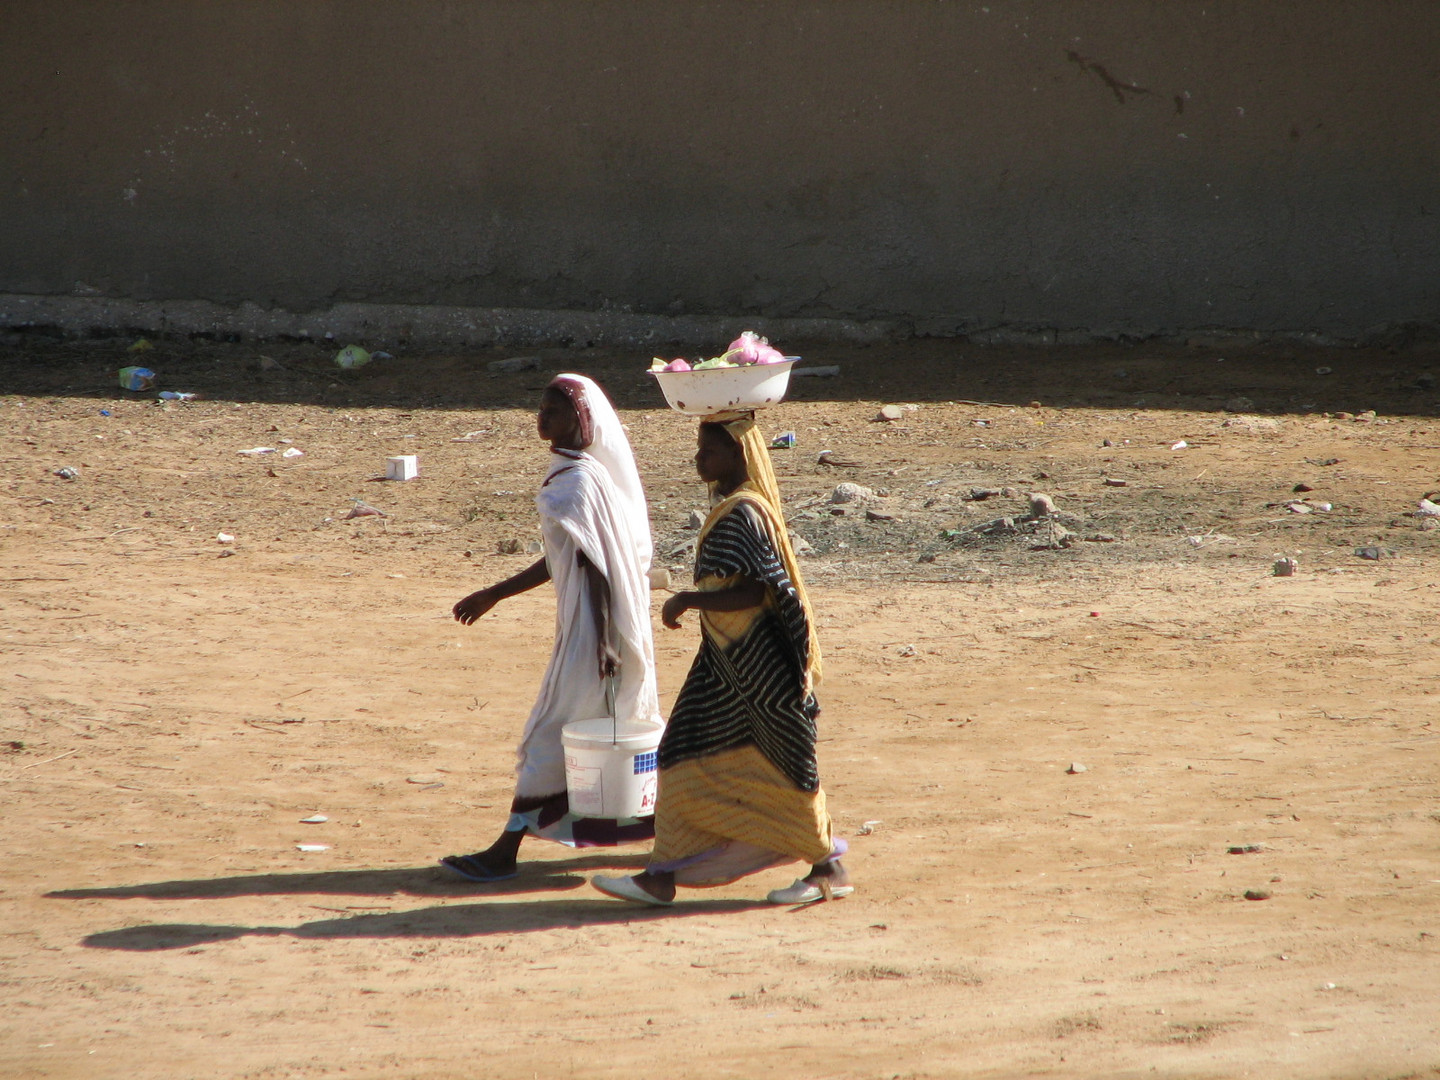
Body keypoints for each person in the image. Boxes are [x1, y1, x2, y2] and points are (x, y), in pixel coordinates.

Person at [592, 413, 852, 907]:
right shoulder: (732, 508)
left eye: (708, 451)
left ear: (737, 455)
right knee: (685, 753)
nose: (698, 459)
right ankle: (661, 874)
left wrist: (689, 601)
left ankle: (826, 867)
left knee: (784, 766)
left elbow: (755, 592)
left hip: (761, 669)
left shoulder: (743, 514)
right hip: (726, 664)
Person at [442, 374, 661, 882]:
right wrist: (495, 593)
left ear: (580, 420)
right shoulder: (576, 473)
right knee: (609, 733)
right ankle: (666, 835)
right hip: (588, 627)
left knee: (549, 734)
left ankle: (505, 851)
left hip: (592, 633)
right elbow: (563, 556)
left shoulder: (580, 481)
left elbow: (595, 567)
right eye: (540, 408)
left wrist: (605, 640)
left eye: (554, 411)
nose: (542, 418)